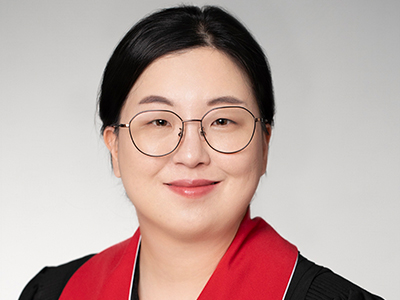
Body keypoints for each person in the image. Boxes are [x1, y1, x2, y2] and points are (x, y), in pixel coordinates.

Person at [19, 5, 383, 300]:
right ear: (114, 147)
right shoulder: (55, 293)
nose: (191, 154)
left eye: (223, 121)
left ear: (265, 143)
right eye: (159, 122)